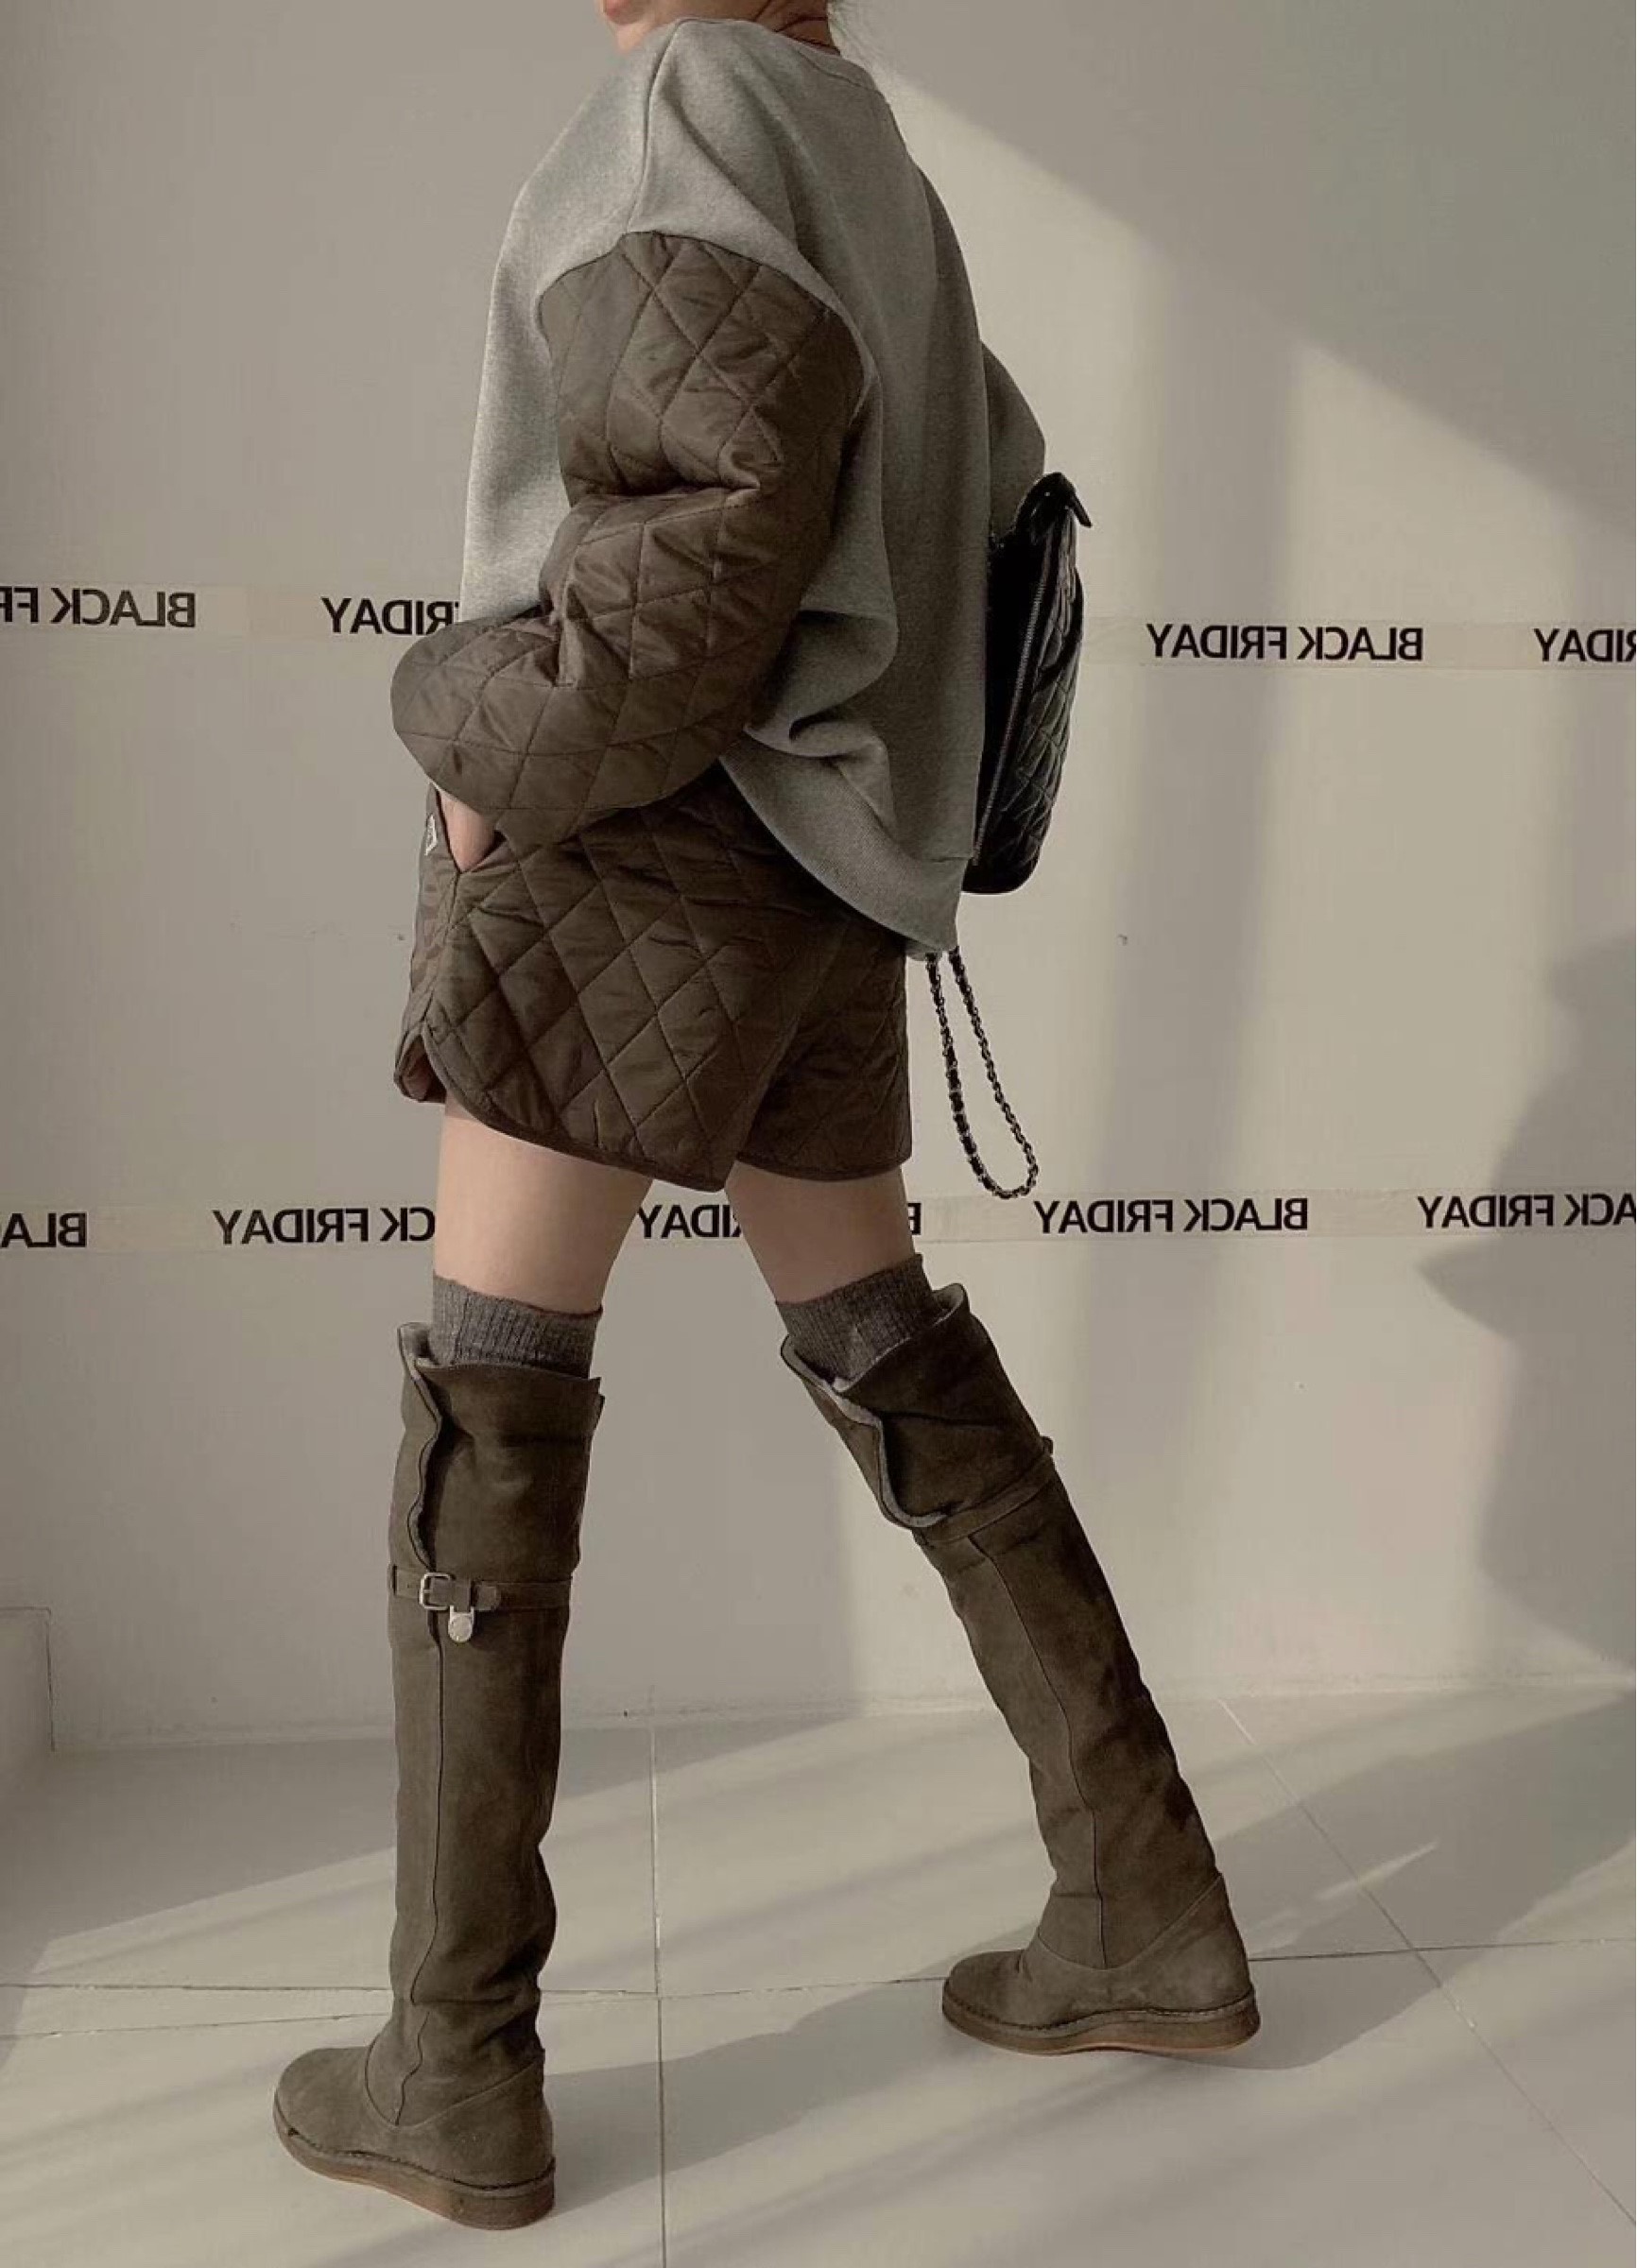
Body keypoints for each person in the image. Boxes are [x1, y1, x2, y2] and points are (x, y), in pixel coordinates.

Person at [272, 0, 1258, 2230]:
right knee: (885, 1339)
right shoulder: (852, 132)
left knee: (488, 1391)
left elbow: (710, 526)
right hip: (826, 866)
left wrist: (480, 732)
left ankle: (452, 2062)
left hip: (642, 847)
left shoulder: (681, 100)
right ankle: (1145, 1904)